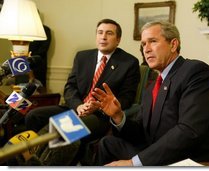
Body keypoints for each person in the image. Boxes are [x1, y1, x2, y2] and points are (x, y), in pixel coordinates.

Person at [92, 21, 209, 166]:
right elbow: (142, 133)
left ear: (173, 45)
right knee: (107, 144)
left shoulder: (196, 72)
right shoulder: (152, 87)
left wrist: (133, 163)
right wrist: (118, 116)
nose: (146, 49)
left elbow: (189, 131)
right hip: (162, 152)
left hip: (191, 159)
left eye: (153, 41)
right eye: (143, 44)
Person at [23, 18, 140, 165]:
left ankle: (45, 165)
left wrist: (99, 105)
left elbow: (127, 98)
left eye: (109, 33)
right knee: (34, 116)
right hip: (75, 108)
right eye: (100, 32)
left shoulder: (128, 63)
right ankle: (30, 160)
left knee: (63, 127)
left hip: (100, 116)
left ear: (118, 40)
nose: (103, 37)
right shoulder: (82, 56)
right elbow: (70, 87)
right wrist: (78, 106)